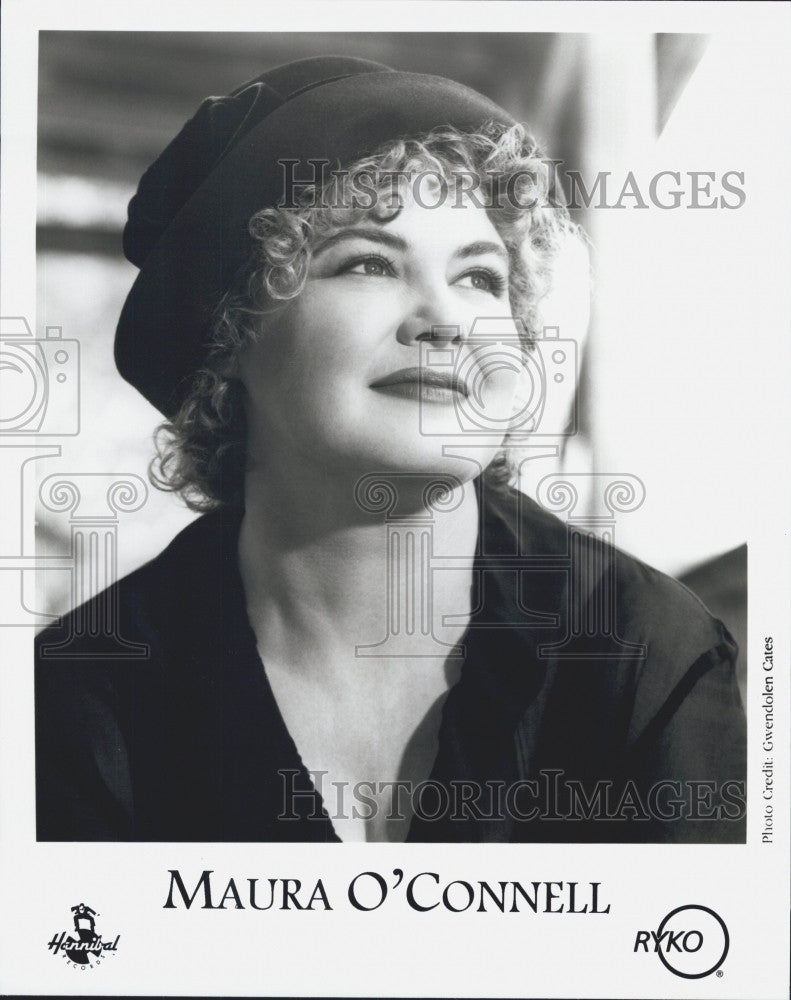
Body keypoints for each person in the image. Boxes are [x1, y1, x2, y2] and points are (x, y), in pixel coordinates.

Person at [35, 55, 746, 843]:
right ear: (228, 333)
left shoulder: (643, 649)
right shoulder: (80, 694)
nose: (444, 319)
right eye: (368, 263)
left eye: (479, 277)